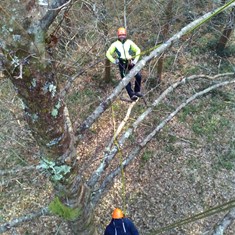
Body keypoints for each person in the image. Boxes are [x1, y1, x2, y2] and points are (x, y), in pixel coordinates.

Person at [106, 27, 142, 101]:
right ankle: (131, 95)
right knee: (125, 80)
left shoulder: (129, 42)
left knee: (138, 76)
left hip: (130, 62)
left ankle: (137, 91)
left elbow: (138, 50)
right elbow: (108, 53)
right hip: (122, 63)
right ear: (118, 35)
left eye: (123, 35)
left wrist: (135, 60)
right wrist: (114, 60)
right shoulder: (115, 44)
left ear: (125, 35)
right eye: (120, 35)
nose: (122, 36)